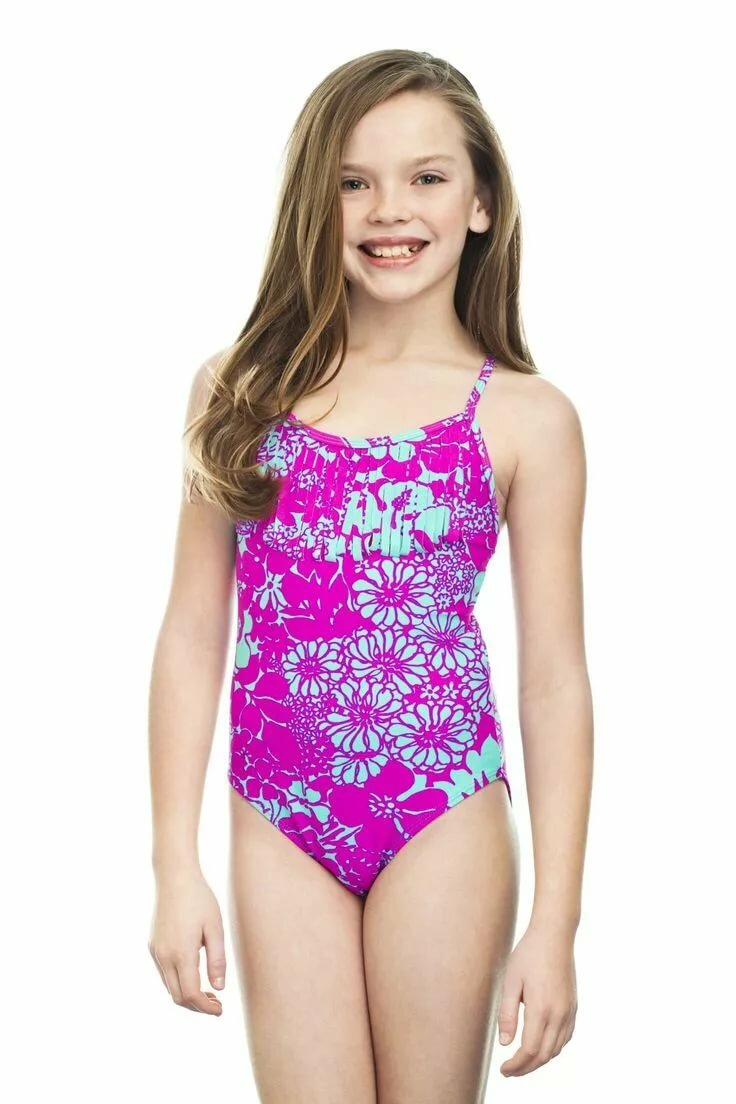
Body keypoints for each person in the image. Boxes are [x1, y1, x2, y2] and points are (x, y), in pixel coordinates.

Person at [148, 48, 593, 1102]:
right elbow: (191, 635)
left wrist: (556, 925)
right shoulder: (240, 391)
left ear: (481, 203)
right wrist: (174, 865)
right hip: (278, 811)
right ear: (318, 198)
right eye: (355, 181)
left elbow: (553, 679)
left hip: (441, 806)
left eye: (426, 177)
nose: (389, 209)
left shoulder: (525, 416)